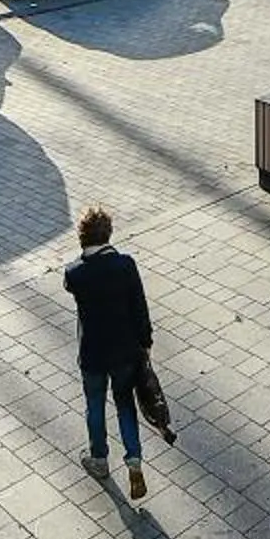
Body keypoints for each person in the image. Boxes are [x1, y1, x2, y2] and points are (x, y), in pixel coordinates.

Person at [62, 206, 171, 497]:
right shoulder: (126, 265)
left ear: (83, 237)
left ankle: (99, 459)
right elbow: (140, 307)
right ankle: (133, 460)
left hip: (93, 353)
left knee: (94, 405)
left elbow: (72, 282)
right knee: (125, 405)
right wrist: (146, 341)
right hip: (125, 352)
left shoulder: (75, 273)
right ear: (108, 233)